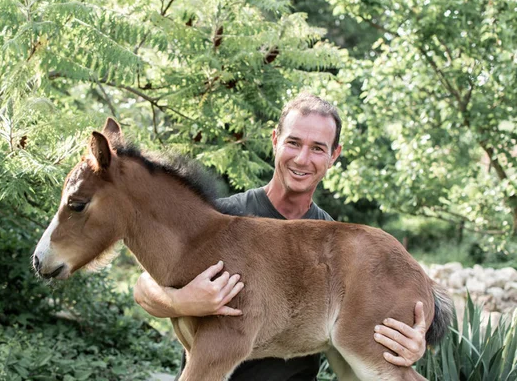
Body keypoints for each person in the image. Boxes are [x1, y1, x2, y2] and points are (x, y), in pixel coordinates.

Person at [134, 93, 427, 380]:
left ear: (333, 155)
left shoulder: (331, 240)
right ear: (275, 140)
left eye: (317, 148)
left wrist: (410, 346)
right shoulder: (223, 217)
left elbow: (376, 323)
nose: (302, 159)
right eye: (293, 143)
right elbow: (145, 284)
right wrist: (181, 301)